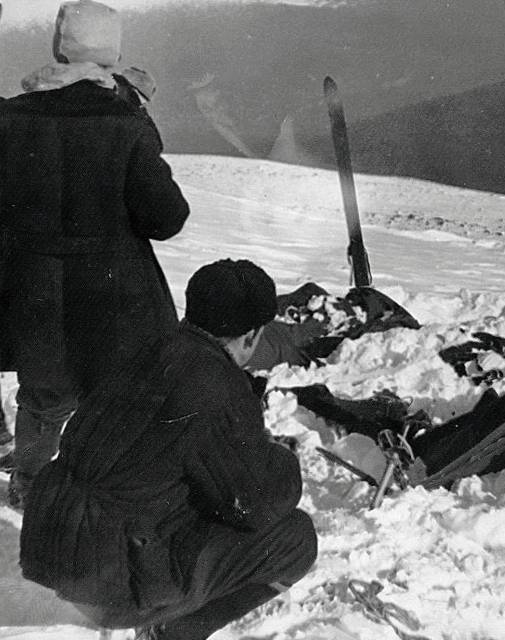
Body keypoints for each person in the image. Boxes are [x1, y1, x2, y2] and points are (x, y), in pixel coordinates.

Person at [19, 259, 318, 640]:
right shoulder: (216, 383)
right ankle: (174, 632)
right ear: (251, 336)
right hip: (109, 584)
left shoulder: (145, 349)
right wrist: (281, 458)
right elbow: (256, 505)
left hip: (49, 544)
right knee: (295, 539)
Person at [0, 0, 189, 507]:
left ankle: (30, 486)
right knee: (113, 395)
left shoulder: (7, 118)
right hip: (113, 290)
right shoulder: (125, 120)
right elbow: (167, 219)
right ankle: (106, 489)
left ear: (57, 46)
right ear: (114, 52)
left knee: (42, 395)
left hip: (33, 287)